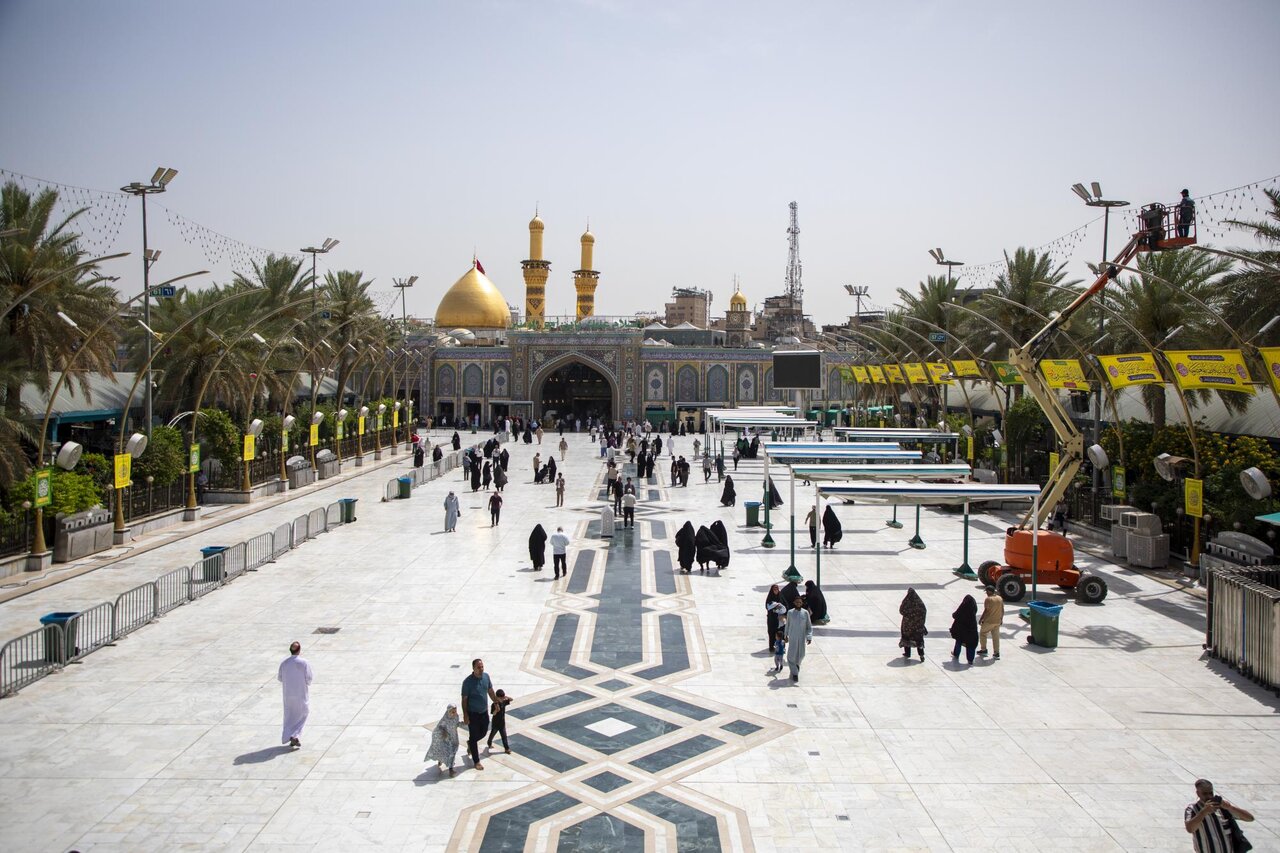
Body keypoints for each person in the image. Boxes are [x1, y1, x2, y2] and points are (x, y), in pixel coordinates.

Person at [1185, 778, 1255, 852]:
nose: (1209, 796)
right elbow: (1190, 828)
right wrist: (1204, 812)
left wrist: (1230, 807)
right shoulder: (1192, 809)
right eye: (1205, 793)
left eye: (1211, 793)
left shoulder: (1222, 808)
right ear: (1198, 793)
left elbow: (1250, 818)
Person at [461, 659, 498, 770]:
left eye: (482, 667)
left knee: (483, 732)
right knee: (473, 736)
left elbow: (490, 691)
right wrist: (465, 715)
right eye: (478, 667)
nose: (481, 669)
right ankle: (476, 761)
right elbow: (464, 700)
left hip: (484, 712)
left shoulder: (486, 677)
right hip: (473, 714)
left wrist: (495, 702)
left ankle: (470, 744)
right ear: (473, 668)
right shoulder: (467, 682)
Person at [278, 641, 313, 748]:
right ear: (299, 650)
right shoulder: (304, 663)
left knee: (289, 717)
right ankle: (295, 735)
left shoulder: (284, 663)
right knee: (303, 714)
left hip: (288, 695)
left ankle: (289, 735)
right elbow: (309, 679)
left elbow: (280, 678)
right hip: (300, 694)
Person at [423, 704, 461, 777]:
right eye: (452, 712)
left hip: (454, 738)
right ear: (448, 712)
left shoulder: (456, 717)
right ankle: (450, 769)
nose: (454, 713)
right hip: (447, 740)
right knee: (450, 753)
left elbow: (456, 724)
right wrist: (443, 732)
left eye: (455, 711)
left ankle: (449, 766)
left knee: (453, 752)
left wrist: (462, 724)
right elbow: (438, 728)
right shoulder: (445, 720)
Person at [783, 598, 812, 682]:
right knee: (791, 656)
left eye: (800, 602)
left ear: (802, 603)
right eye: (797, 602)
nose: (798, 604)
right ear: (794, 603)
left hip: (802, 637)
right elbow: (787, 624)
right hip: (793, 637)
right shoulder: (790, 613)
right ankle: (795, 673)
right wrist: (786, 635)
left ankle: (797, 665)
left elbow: (809, 627)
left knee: (801, 655)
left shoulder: (805, 613)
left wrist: (809, 637)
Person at [950, 594, 980, 665]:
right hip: (971, 630)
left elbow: (955, 615)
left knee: (958, 641)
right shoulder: (972, 610)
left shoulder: (963, 607)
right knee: (971, 645)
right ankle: (970, 660)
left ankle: (956, 654)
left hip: (961, 630)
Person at [898, 588, 927, 660]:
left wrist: (909, 616)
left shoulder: (907, 602)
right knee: (919, 640)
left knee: (907, 638)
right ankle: (921, 655)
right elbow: (924, 612)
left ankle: (907, 653)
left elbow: (901, 610)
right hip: (918, 626)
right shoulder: (920, 603)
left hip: (908, 625)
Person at [978, 585, 1004, 659]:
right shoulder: (1000, 598)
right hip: (997, 621)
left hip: (989, 621)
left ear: (989, 591)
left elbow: (986, 610)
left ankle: (984, 650)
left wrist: (981, 619)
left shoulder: (988, 599)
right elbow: (1002, 610)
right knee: (996, 637)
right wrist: (1001, 619)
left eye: (986, 591)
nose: (986, 593)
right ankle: (996, 653)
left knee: (983, 633)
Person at [487, 689, 513, 754]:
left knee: (504, 736)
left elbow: (511, 699)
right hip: (495, 723)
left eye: (503, 698)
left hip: (502, 723)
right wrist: (496, 710)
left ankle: (507, 748)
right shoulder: (494, 704)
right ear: (497, 697)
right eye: (501, 698)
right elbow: (493, 713)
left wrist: (506, 697)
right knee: (492, 734)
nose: (502, 699)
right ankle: (489, 742)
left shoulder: (504, 702)